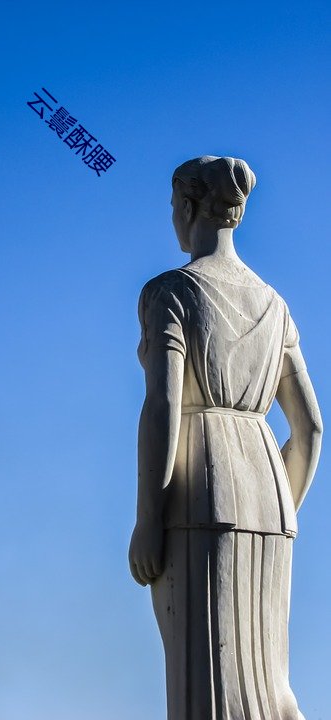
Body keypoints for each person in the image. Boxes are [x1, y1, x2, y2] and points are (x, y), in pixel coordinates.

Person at [129, 156, 322, 720]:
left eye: (172, 207)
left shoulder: (171, 292)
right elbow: (309, 427)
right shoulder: (274, 304)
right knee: (268, 682)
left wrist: (148, 517)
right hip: (268, 497)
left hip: (201, 495)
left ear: (187, 207)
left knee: (205, 686)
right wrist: (281, 504)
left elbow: (163, 405)